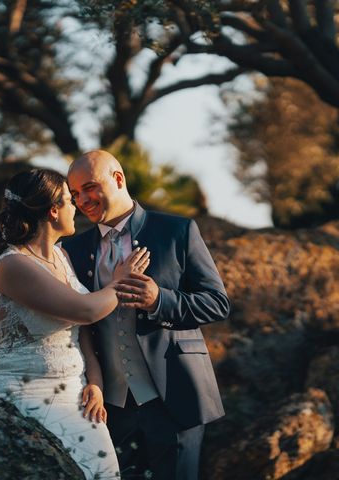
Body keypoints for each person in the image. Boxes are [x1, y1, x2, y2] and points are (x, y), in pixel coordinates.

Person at [0, 168, 150, 480]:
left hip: (76, 397)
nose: (76, 207)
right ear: (53, 211)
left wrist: (94, 381)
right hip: (23, 394)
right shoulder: (14, 264)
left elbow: (77, 333)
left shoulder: (61, 256)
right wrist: (119, 283)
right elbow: (84, 311)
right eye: (69, 200)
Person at [65, 150, 230, 480]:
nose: (82, 199)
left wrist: (159, 300)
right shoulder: (73, 249)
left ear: (118, 179)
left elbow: (217, 302)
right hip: (109, 408)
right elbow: (69, 316)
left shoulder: (176, 231)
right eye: (74, 194)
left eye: (89, 187)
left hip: (175, 397)